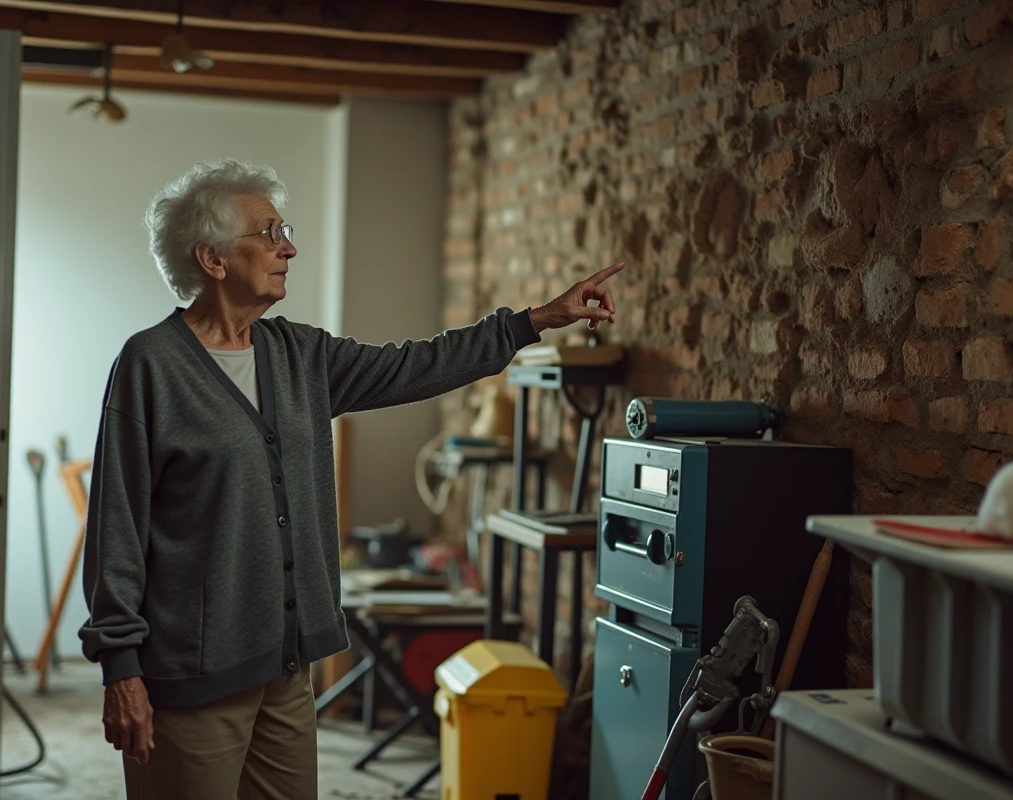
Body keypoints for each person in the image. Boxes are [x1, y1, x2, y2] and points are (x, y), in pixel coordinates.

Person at [78, 158, 625, 800]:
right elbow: (117, 524)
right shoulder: (152, 365)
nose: (290, 247)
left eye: (286, 229)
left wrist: (531, 322)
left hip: (285, 671)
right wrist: (122, 668)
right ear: (214, 258)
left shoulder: (299, 355)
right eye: (270, 232)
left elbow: (418, 365)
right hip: (190, 676)